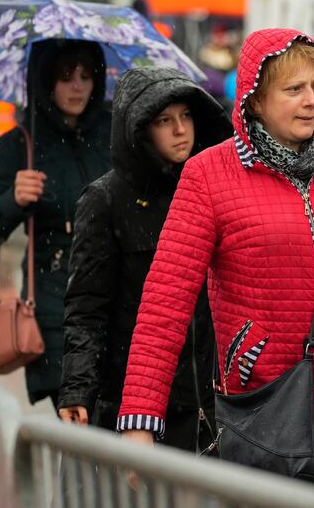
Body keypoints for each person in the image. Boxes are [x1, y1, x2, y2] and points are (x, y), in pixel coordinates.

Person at [116, 28, 314, 494]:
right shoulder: (208, 175)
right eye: (293, 89)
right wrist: (140, 421)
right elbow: (166, 303)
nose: (311, 101)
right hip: (266, 405)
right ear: (256, 100)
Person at [56, 67, 233, 452]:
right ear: (139, 129)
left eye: (186, 116)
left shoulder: (214, 192)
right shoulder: (105, 200)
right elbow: (87, 307)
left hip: (209, 401)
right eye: (164, 121)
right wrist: (77, 389)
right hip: (131, 403)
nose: (181, 130)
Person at [0, 40, 111, 406]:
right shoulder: (20, 144)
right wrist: (13, 201)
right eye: (65, 76)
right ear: (45, 80)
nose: (77, 86)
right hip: (56, 311)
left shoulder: (113, 133)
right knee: (78, 423)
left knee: (116, 425)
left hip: (115, 304)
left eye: (86, 76)